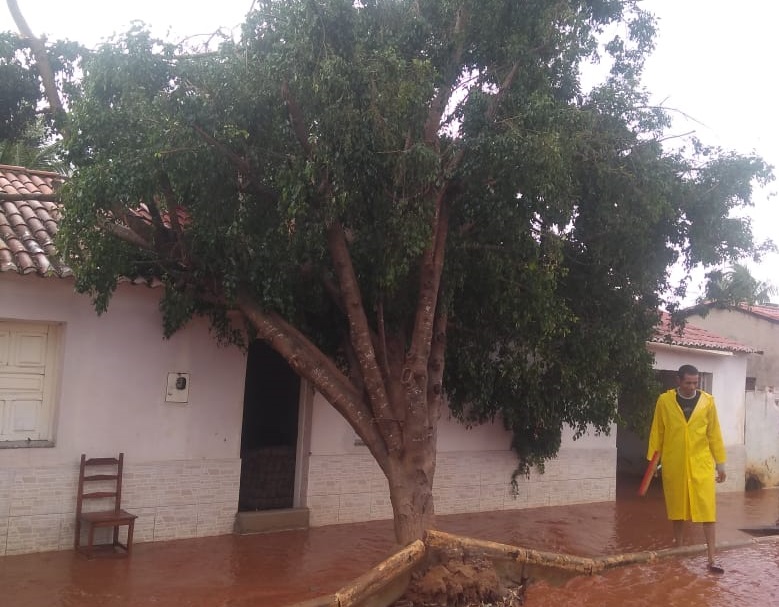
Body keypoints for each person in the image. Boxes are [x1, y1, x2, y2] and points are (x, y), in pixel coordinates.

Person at [647, 364, 727, 574]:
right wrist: (653, 462)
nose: (692, 387)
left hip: (701, 464)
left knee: (708, 511)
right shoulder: (664, 401)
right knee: (678, 511)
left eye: (695, 382)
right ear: (678, 381)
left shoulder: (708, 403)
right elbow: (658, 433)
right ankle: (679, 552)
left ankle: (712, 558)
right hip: (675, 464)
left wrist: (721, 463)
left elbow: (714, 434)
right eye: (688, 382)